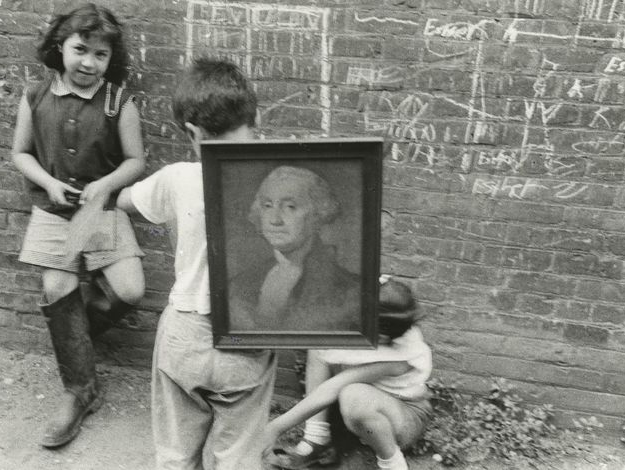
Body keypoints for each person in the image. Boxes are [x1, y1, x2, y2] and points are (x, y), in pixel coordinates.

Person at [116, 57, 276, 470]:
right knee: (239, 454)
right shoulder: (279, 180)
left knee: (175, 452)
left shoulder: (177, 178)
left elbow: (124, 201)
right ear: (255, 117)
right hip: (248, 336)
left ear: (191, 131)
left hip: (184, 334)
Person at [10, 3, 146, 448]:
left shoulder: (118, 101)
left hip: (99, 212)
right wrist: (48, 184)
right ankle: (80, 389)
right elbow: (20, 153)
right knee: (57, 289)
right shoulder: (35, 94)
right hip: (54, 213)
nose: (88, 62)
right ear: (59, 48)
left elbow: (135, 161)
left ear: (111, 61)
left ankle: (74, 341)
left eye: (100, 55)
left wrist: (104, 185)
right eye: (80, 49)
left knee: (129, 291)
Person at [262, 276, 433, 470]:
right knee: (321, 347)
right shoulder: (384, 318)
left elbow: (332, 388)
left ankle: (393, 463)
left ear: (385, 335)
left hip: (405, 414)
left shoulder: (402, 356)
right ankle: (316, 439)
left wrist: (275, 428)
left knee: (352, 394)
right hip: (369, 406)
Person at [229, 166, 361, 331]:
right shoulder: (240, 284)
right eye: (267, 205)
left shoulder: (351, 291)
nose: (275, 220)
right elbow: (238, 337)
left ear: (318, 214)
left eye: (290, 207)